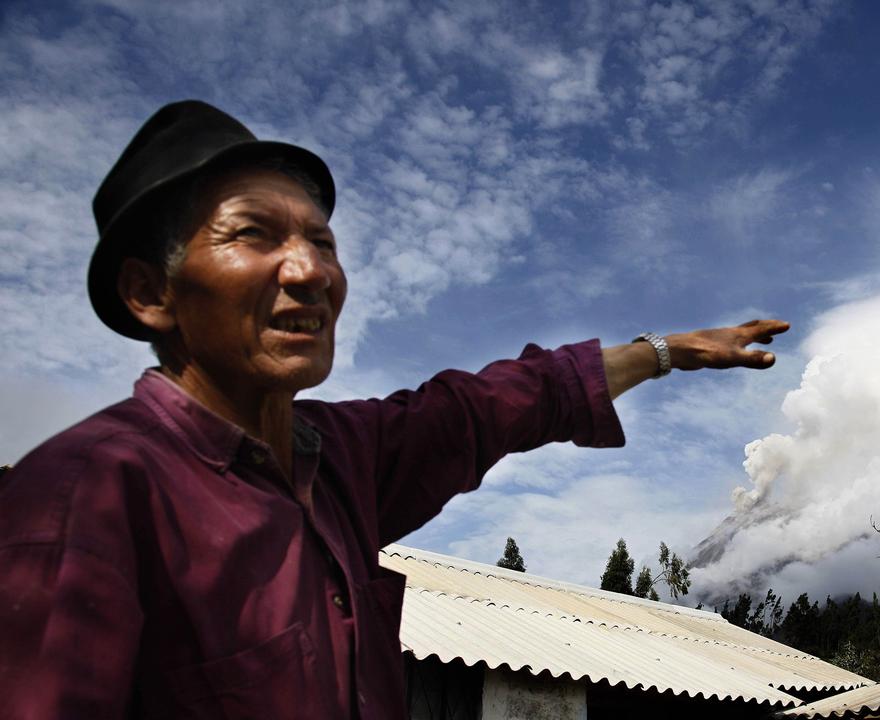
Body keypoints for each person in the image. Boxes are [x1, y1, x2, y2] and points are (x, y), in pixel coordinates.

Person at [0, 100, 789, 719]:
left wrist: (667, 352)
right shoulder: (85, 497)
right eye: (252, 235)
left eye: (323, 241)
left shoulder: (342, 457)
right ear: (151, 293)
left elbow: (496, 403)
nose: (310, 270)